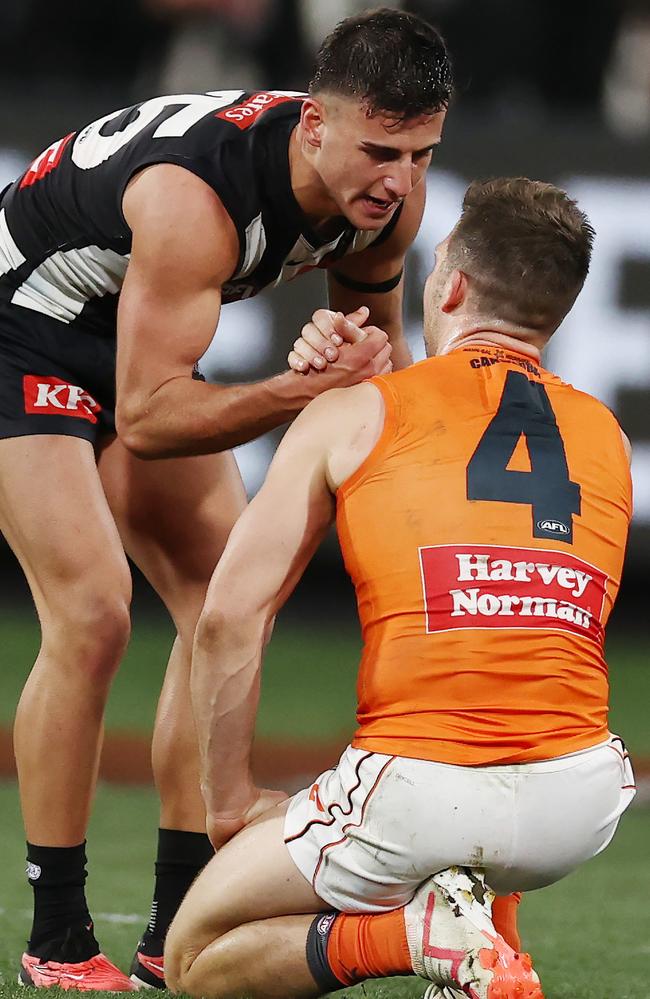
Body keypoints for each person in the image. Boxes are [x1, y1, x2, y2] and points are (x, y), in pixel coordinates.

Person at [0, 8, 452, 992]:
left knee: (221, 598)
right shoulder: (192, 198)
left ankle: (175, 920)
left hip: (129, 336)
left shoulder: (383, 203)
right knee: (90, 611)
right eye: (380, 150)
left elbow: (378, 376)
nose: (398, 181)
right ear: (313, 125)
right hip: (20, 336)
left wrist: (369, 394)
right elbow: (152, 417)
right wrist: (296, 393)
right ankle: (59, 932)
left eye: (421, 154)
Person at [164, 177, 636, 999]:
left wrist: (229, 799)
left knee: (194, 957)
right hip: (582, 799)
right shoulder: (609, 435)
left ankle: (416, 935)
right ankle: (486, 946)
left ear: (447, 279)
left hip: (421, 786)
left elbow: (230, 618)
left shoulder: (356, 412)